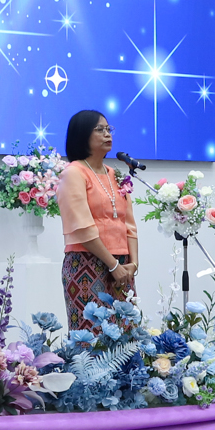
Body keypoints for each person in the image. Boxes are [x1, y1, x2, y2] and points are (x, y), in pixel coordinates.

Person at [58, 109, 138, 329]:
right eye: (100, 129)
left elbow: (129, 224)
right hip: (86, 262)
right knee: (92, 336)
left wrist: (133, 263)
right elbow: (82, 227)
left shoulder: (115, 174)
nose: (107, 134)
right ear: (82, 134)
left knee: (127, 335)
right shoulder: (73, 173)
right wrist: (112, 265)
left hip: (122, 265)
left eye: (108, 129)